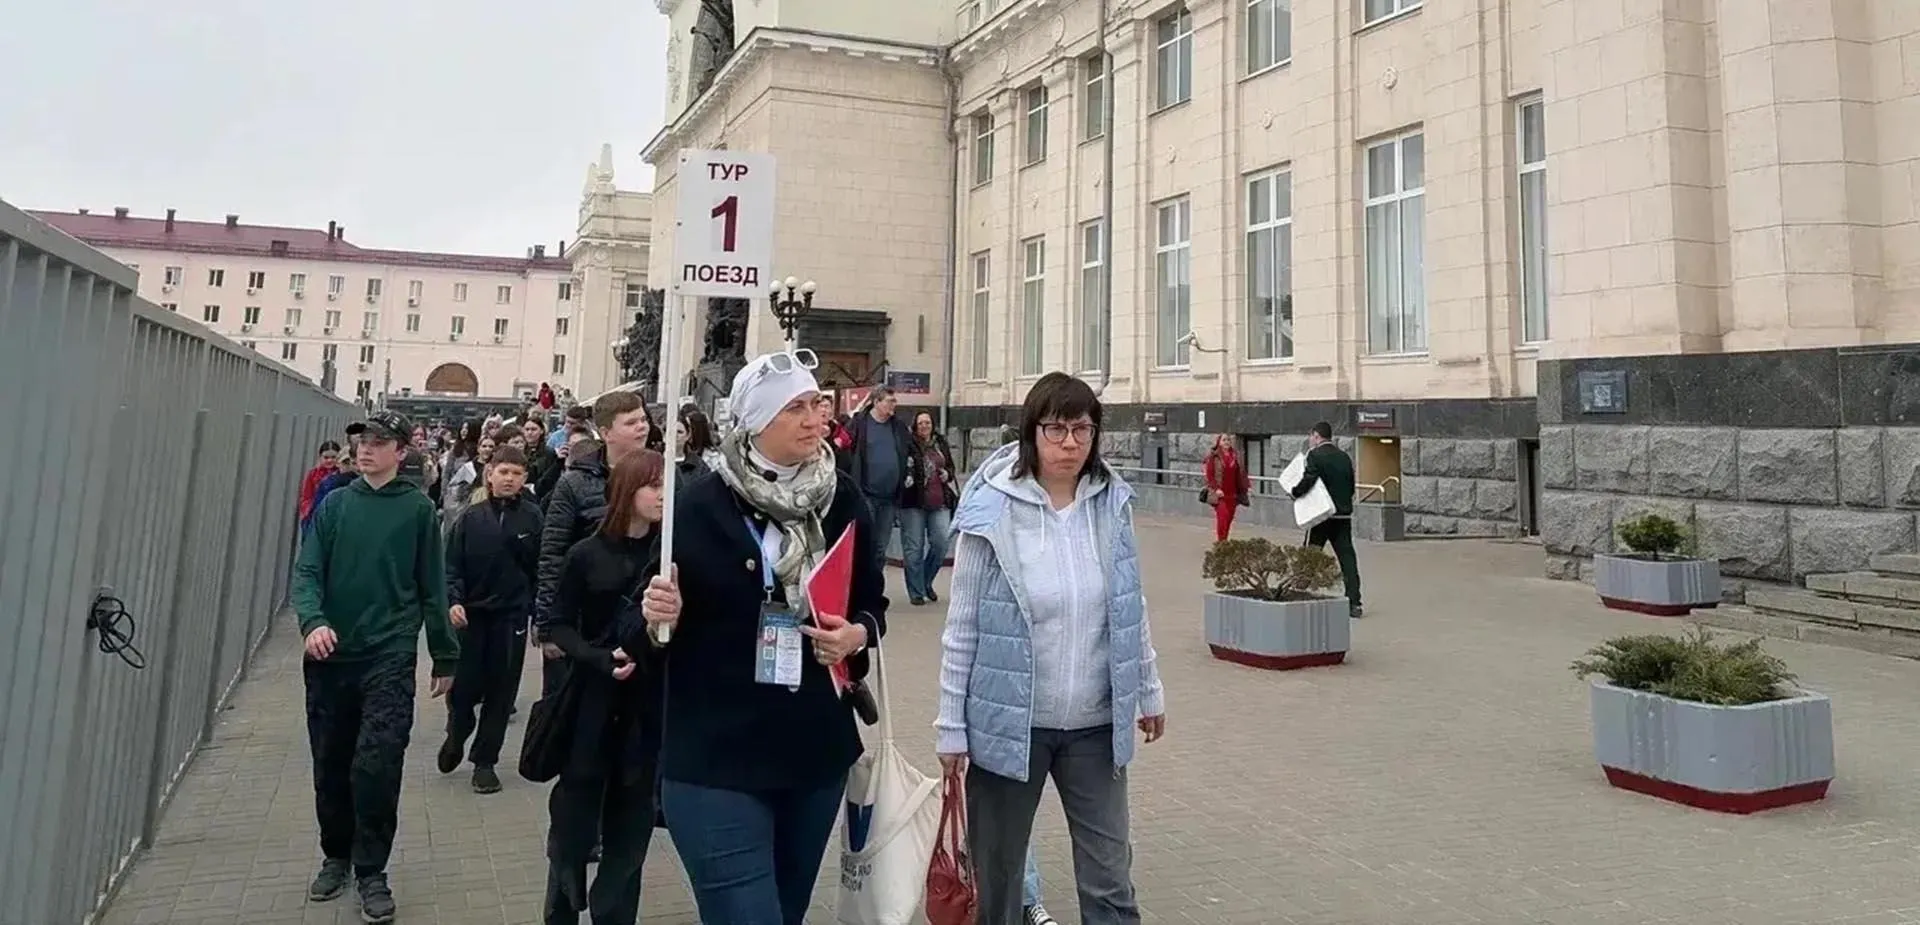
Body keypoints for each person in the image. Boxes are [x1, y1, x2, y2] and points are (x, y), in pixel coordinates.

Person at [641, 351, 887, 924]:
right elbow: (643, 620)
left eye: (816, 404)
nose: (814, 418)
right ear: (755, 421)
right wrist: (660, 614)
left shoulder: (842, 497)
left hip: (813, 754)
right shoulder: (698, 504)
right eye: (795, 408)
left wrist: (855, 634)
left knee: (786, 910)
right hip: (717, 760)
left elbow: (871, 602)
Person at [935, 372, 1168, 925]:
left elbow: (1129, 606)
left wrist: (1149, 689)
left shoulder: (1111, 503)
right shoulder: (993, 509)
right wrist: (951, 726)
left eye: (1082, 430)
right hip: (1009, 727)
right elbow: (963, 625)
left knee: (1110, 880)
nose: (1070, 443)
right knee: (999, 881)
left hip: (1094, 725)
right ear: (1031, 432)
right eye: (1056, 429)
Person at [292, 410, 458, 925]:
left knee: (377, 763)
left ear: (401, 452)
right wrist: (313, 622)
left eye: (379, 441)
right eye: (362, 440)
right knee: (332, 762)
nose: (365, 448)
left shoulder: (416, 511)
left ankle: (371, 870)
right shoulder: (336, 505)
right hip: (331, 656)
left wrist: (445, 653)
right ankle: (335, 855)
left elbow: (432, 586)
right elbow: (307, 571)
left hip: (389, 654)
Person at [541, 449, 669, 925]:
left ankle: (613, 912)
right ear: (626, 490)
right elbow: (558, 624)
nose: (662, 495)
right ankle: (561, 905)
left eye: (666, 485)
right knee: (573, 824)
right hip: (591, 703)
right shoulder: (586, 554)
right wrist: (597, 657)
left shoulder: (668, 557)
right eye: (652, 485)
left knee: (632, 826)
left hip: (645, 706)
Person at [439, 445, 542, 794]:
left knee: (501, 690)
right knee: (463, 688)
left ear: (525, 478)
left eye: (516, 473)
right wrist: (453, 601)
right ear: (490, 474)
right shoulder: (470, 518)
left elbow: (541, 570)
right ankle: (457, 731)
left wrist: (539, 614)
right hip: (471, 616)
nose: (509, 479)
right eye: (503, 472)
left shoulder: (533, 518)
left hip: (511, 616)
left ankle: (485, 762)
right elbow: (451, 565)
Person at [1290, 421, 1362, 618]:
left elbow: (1309, 479)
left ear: (1316, 436)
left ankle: (1298, 592)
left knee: (1310, 554)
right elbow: (1351, 485)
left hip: (1321, 515)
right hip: (1342, 515)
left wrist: (1295, 492)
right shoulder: (1344, 457)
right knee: (1347, 559)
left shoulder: (1314, 455)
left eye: (1311, 437)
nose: (1310, 440)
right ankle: (1354, 602)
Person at [845, 387, 912, 576]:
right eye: (890, 401)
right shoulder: (859, 424)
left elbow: (908, 451)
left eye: (894, 401)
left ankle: (874, 586)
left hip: (890, 497)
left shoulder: (897, 426)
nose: (894, 405)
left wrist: (908, 473)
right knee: (865, 544)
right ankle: (860, 586)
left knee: (881, 547)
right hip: (866, 495)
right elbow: (846, 454)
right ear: (876, 402)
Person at [898, 410, 958, 606]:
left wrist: (947, 474)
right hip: (913, 502)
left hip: (939, 501)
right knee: (914, 548)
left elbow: (951, 467)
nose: (924, 426)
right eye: (920, 423)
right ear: (915, 426)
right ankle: (916, 591)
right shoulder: (908, 443)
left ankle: (925, 581)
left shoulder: (940, 442)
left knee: (941, 543)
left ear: (933, 425)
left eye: (927, 423)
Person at [1203, 434, 1251, 542]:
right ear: (1219, 442)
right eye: (1224, 440)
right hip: (1220, 495)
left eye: (1228, 440)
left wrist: (1246, 486)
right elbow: (1210, 475)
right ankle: (1221, 543)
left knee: (1229, 519)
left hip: (1233, 494)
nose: (1226, 442)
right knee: (1222, 518)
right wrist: (1216, 488)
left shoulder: (1235, 456)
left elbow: (1241, 473)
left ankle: (1224, 541)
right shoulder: (1214, 457)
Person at [299, 441, 342, 526]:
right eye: (326, 457)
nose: (329, 460)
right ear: (320, 457)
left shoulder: (343, 474)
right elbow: (306, 497)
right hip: (314, 517)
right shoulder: (313, 474)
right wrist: (310, 511)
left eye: (333, 457)